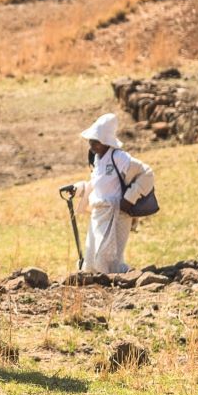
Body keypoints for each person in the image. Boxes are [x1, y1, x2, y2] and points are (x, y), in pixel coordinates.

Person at [63, 112, 155, 274]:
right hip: (99, 213)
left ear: (106, 141)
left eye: (96, 141)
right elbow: (97, 185)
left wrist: (130, 197)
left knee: (105, 256)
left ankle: (122, 281)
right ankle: (102, 288)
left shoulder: (119, 157)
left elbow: (147, 173)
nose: (91, 144)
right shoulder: (97, 159)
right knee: (92, 258)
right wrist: (77, 189)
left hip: (117, 212)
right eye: (90, 140)